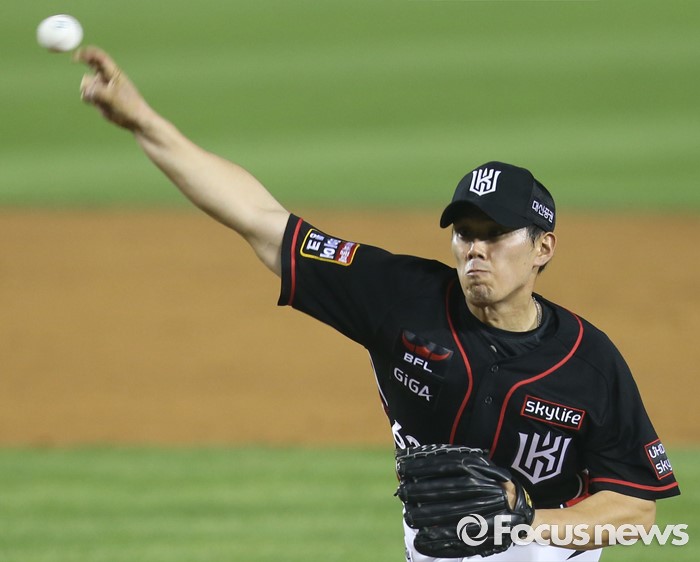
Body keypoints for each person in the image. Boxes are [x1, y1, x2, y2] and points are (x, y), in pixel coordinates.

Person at [76, 46, 680, 561]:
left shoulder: (589, 362)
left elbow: (636, 509)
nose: (475, 249)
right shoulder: (400, 296)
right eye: (464, 233)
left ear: (543, 247)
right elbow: (260, 220)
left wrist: (522, 523)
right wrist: (142, 121)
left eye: (495, 234)